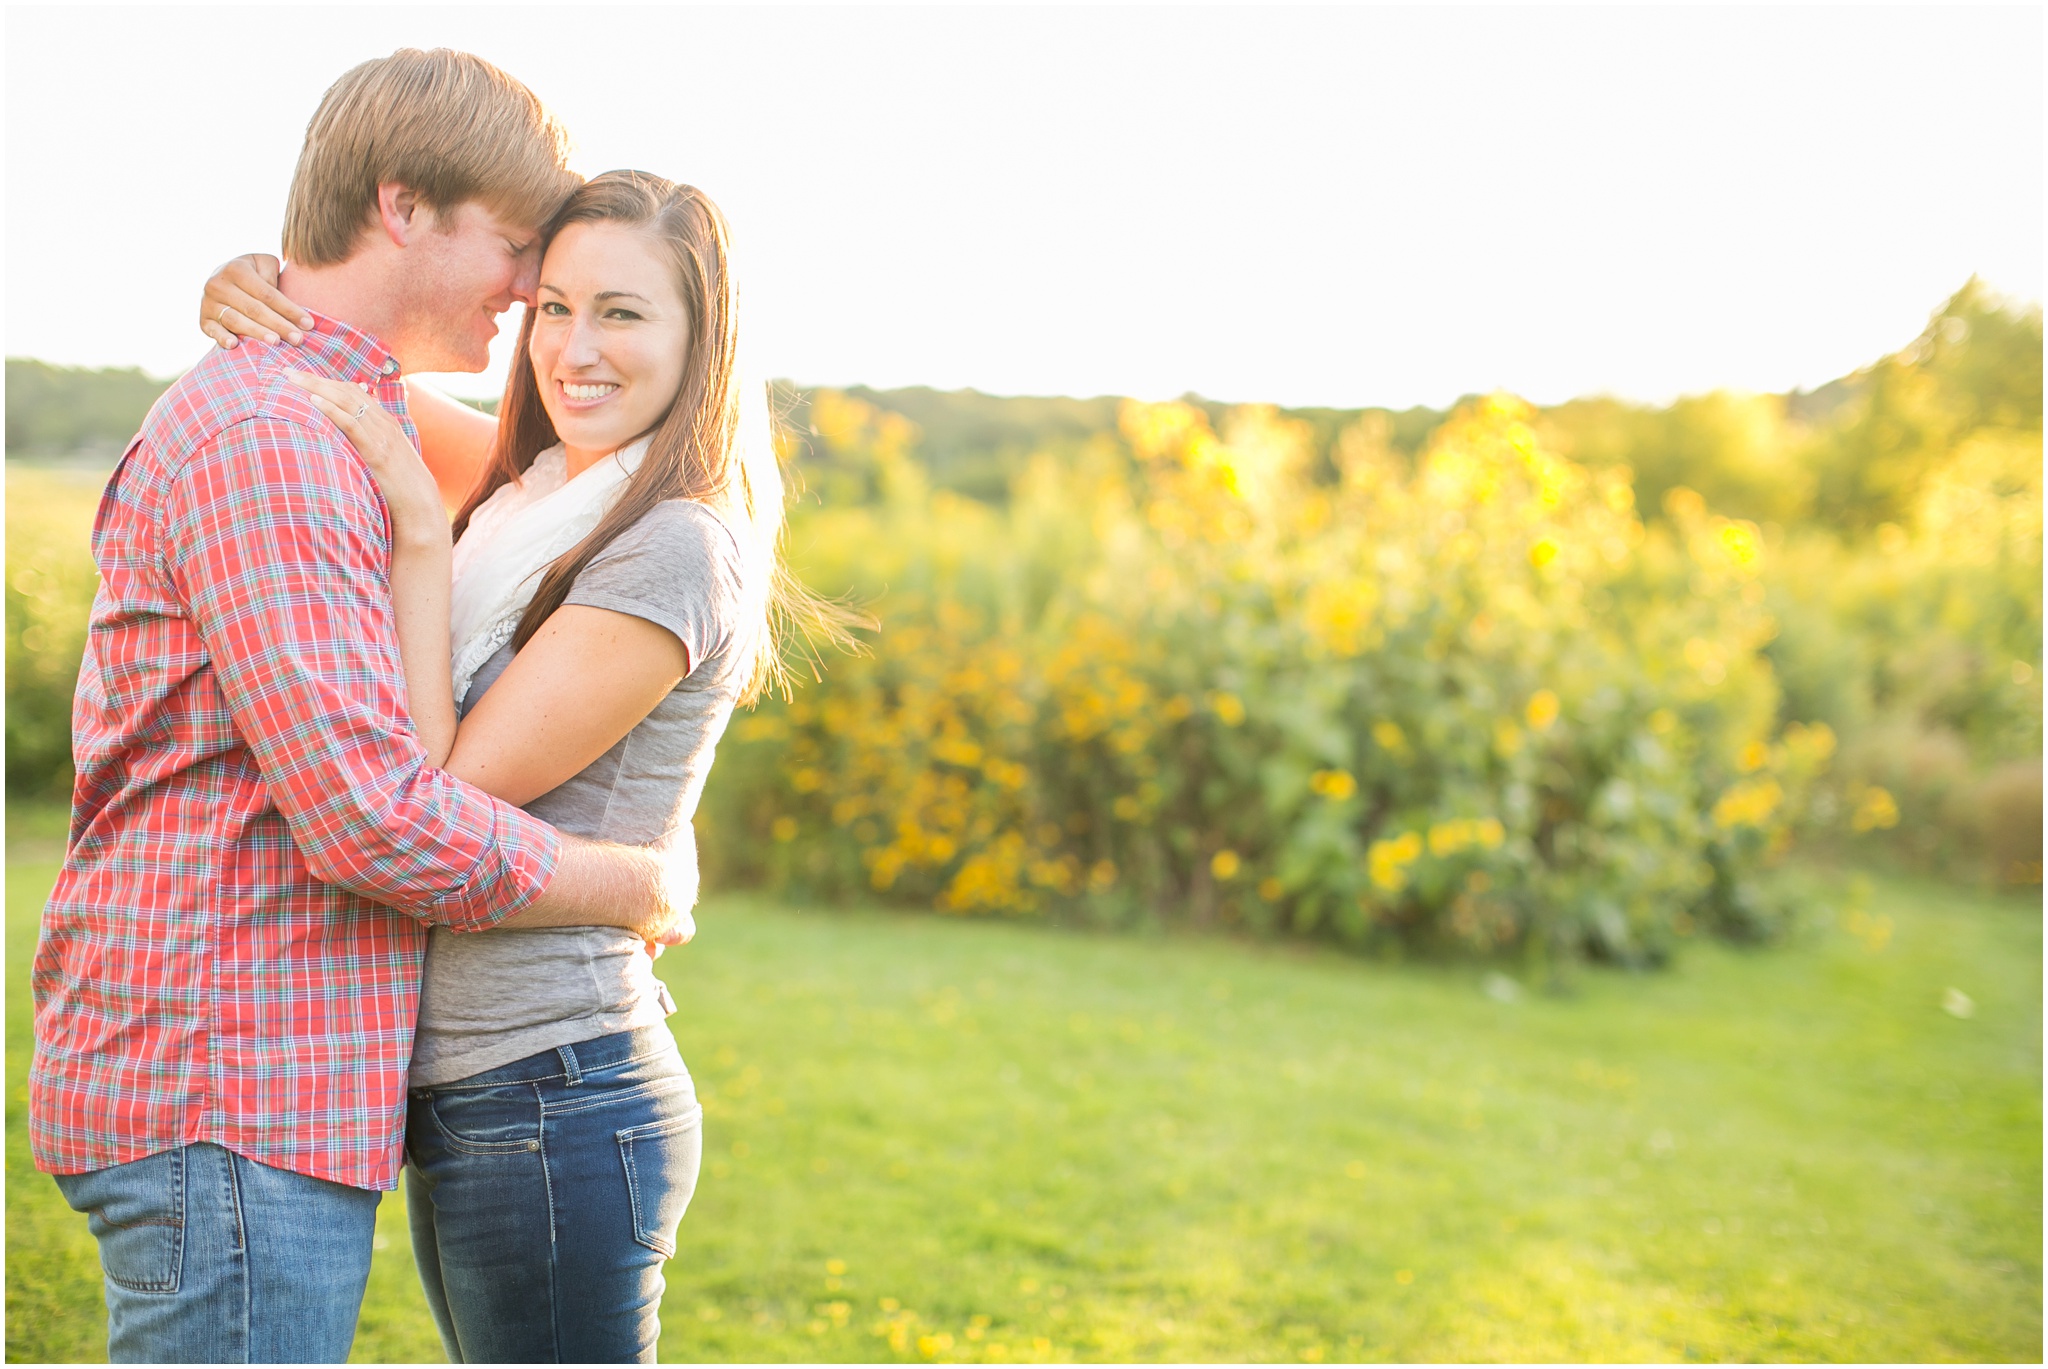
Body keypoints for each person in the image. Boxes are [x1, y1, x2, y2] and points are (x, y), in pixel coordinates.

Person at [29, 51, 699, 1365]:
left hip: (260, 1096)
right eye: (519, 254)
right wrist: (627, 879)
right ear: (401, 208)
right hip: (227, 1088)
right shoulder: (278, 440)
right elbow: (366, 821)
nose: (527, 296)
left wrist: (257, 286)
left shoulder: (343, 417)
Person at [199, 168, 855, 1362]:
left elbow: (437, 790)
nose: (574, 346)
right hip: (483, 1086)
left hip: (553, 1079)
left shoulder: (670, 541)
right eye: (552, 305)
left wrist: (411, 528)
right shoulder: (535, 488)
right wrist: (250, 284)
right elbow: (342, 374)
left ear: (702, 339)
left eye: (621, 311)